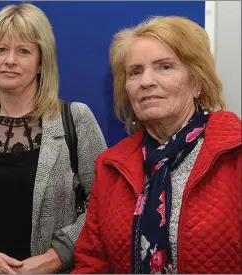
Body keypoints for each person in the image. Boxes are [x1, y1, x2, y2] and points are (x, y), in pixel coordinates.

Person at [73, 16, 242, 274]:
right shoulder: (110, 167)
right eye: (135, 71)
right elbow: (92, 263)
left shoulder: (234, 150)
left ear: (197, 81)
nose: (146, 81)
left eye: (164, 67)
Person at [0, 4, 107, 274]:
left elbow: (105, 202)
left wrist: (59, 255)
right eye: (1, 49)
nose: (9, 60)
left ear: (41, 62)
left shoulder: (76, 119)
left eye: (23, 51)